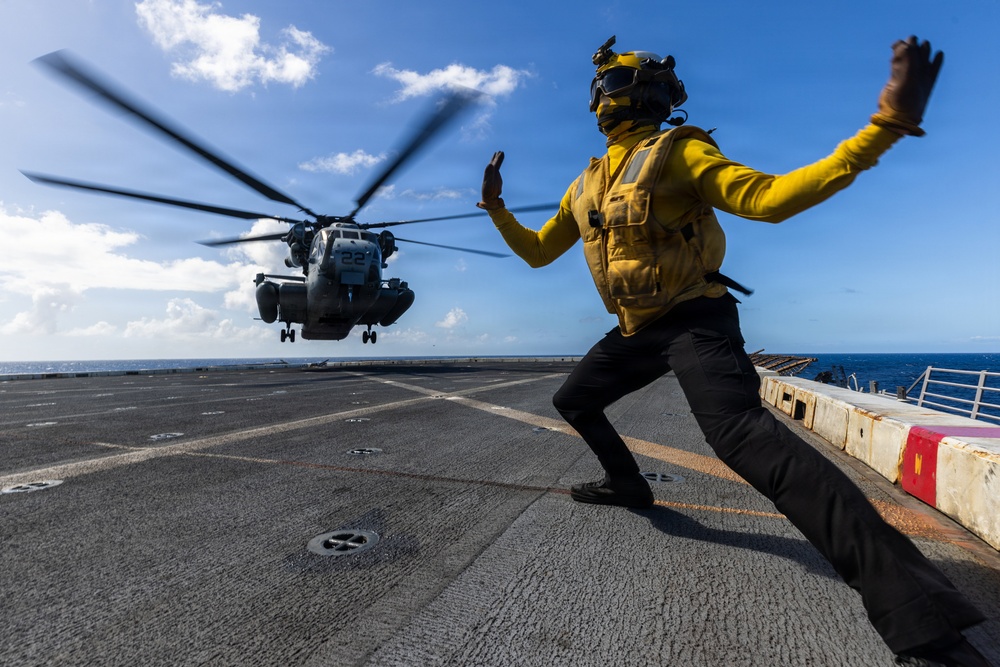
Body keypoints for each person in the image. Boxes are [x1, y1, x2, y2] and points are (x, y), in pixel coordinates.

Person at [476, 35, 992, 667]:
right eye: (602, 87)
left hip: (697, 319)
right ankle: (628, 484)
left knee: (746, 440)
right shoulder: (584, 185)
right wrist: (496, 207)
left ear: (637, 95)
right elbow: (537, 252)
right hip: (636, 329)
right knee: (574, 400)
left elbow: (770, 201)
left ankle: (924, 622)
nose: (603, 98)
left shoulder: (680, 151)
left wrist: (884, 127)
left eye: (609, 85)